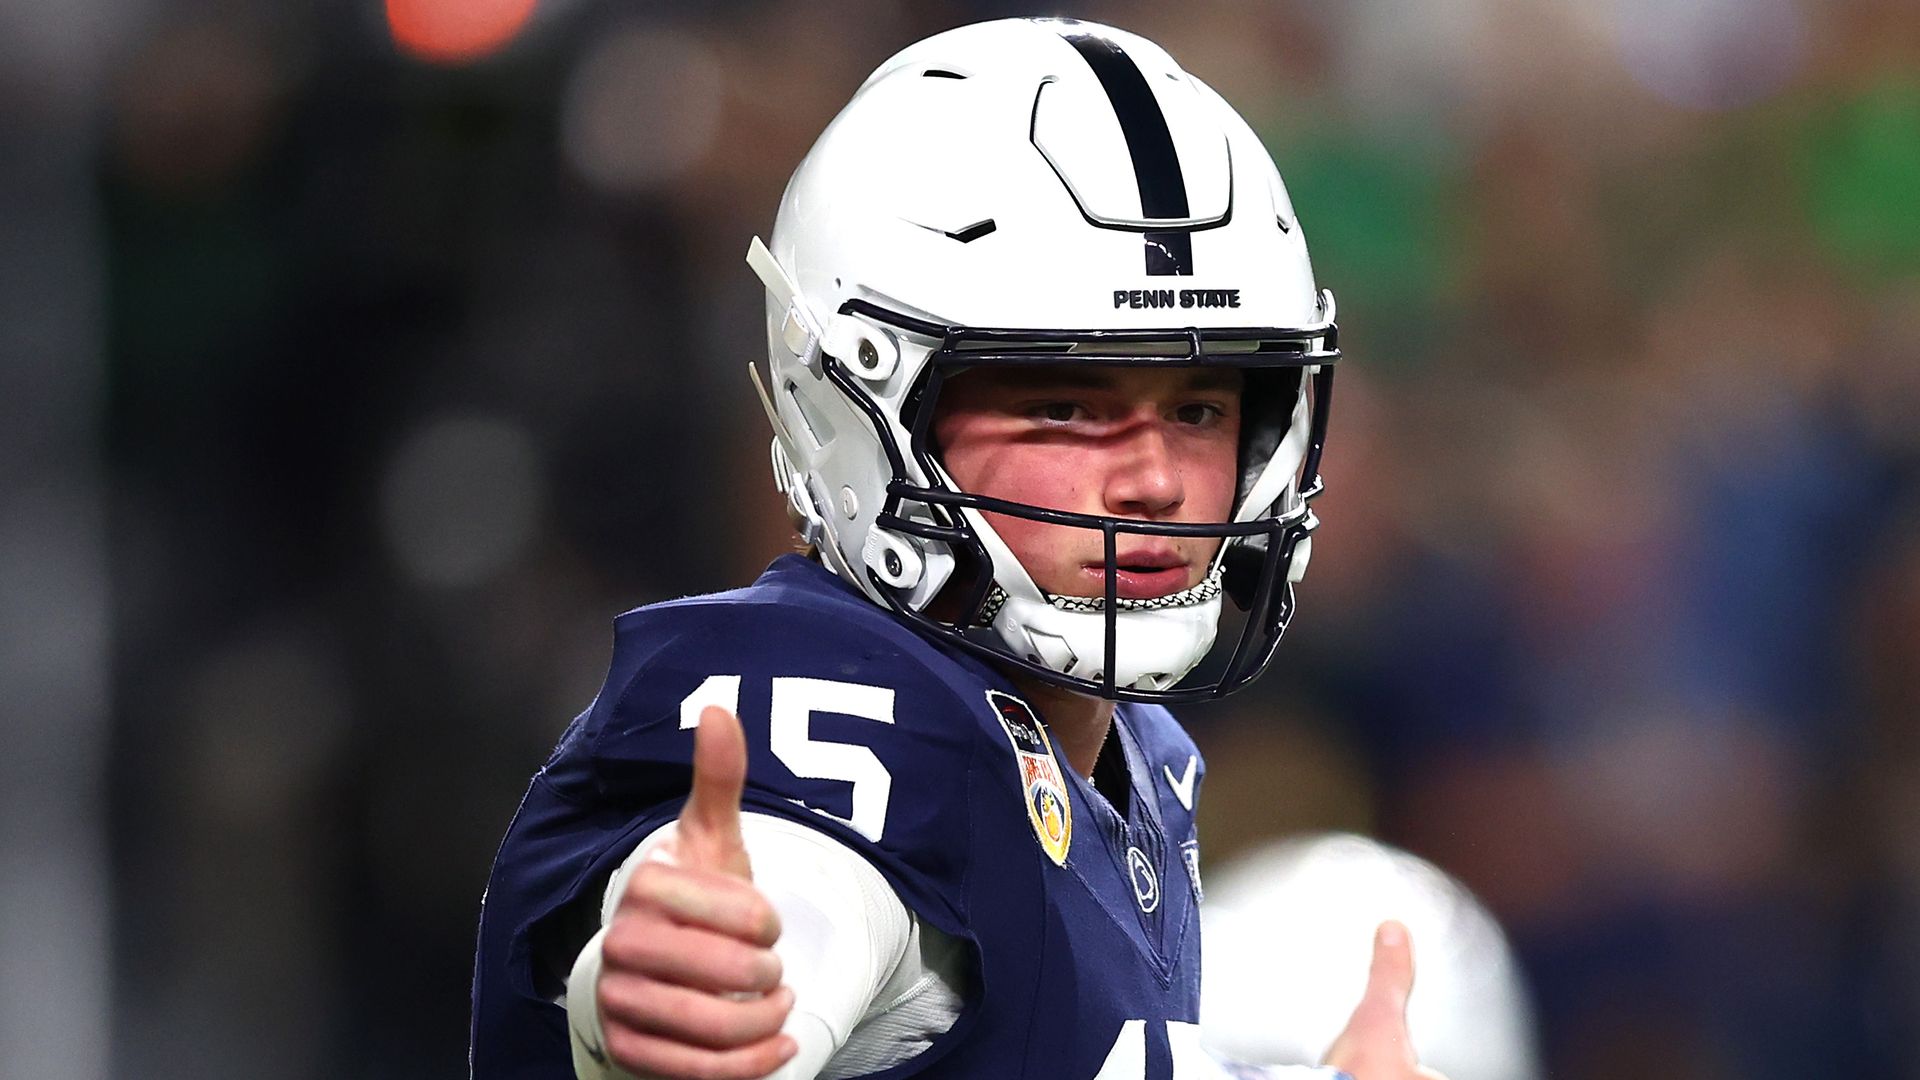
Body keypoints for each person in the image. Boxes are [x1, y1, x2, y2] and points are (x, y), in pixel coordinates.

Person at [471, 18, 1446, 1080]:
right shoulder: (831, 722)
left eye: (1203, 409)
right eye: (1066, 407)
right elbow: (778, 910)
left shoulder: (1130, 756)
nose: (1157, 479)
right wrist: (691, 981)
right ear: (862, 403)